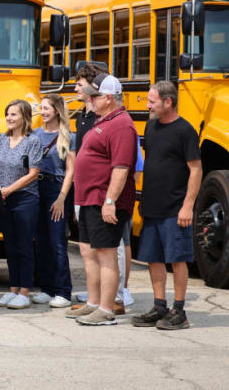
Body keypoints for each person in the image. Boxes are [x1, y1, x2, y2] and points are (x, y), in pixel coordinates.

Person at [66, 74, 138, 326]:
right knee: (89, 251)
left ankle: (107, 309)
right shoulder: (104, 120)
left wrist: (110, 201)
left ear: (108, 98)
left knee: (107, 254)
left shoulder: (121, 125)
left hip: (102, 200)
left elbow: (121, 168)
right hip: (88, 198)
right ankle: (94, 303)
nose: (91, 99)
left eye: (95, 96)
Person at [131, 81, 201, 330]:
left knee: (177, 259)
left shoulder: (185, 131)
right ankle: (159, 306)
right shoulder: (150, 127)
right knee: (154, 258)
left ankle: (179, 311)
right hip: (151, 205)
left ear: (168, 102)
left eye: (152, 101)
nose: (148, 106)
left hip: (175, 208)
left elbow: (195, 169)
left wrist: (187, 206)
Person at [0, 99, 42, 309]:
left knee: (24, 246)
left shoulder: (33, 141)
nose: (9, 118)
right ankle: (12, 289)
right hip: (3, 198)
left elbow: (34, 173)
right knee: (10, 246)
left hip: (25, 199)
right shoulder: (1, 138)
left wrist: (10, 189)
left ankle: (24, 291)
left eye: (14, 114)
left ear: (25, 117)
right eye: (7, 114)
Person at [31, 94, 75, 308]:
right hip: (36, 187)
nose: (43, 111)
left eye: (46, 108)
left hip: (56, 187)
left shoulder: (68, 136)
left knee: (57, 242)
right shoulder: (35, 134)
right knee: (40, 242)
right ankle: (47, 288)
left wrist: (61, 198)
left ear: (57, 110)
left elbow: (70, 171)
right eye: (41, 108)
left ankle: (63, 291)